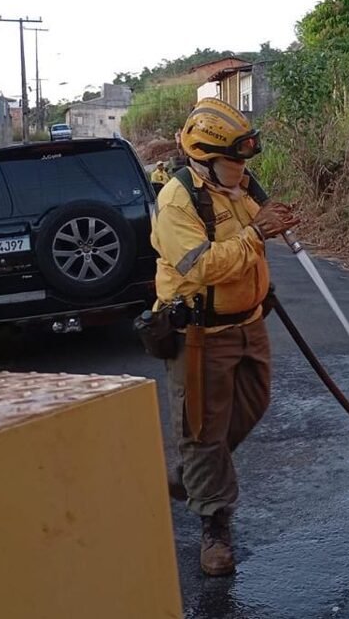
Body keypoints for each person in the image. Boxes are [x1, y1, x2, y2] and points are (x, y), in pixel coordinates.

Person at [149, 98, 298, 576]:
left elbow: (256, 223)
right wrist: (256, 233)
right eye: (234, 160)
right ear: (205, 157)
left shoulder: (236, 186)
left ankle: (192, 473)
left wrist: (273, 220)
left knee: (253, 405)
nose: (243, 169)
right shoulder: (178, 201)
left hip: (249, 324)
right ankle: (214, 527)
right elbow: (201, 267)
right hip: (201, 334)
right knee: (204, 430)